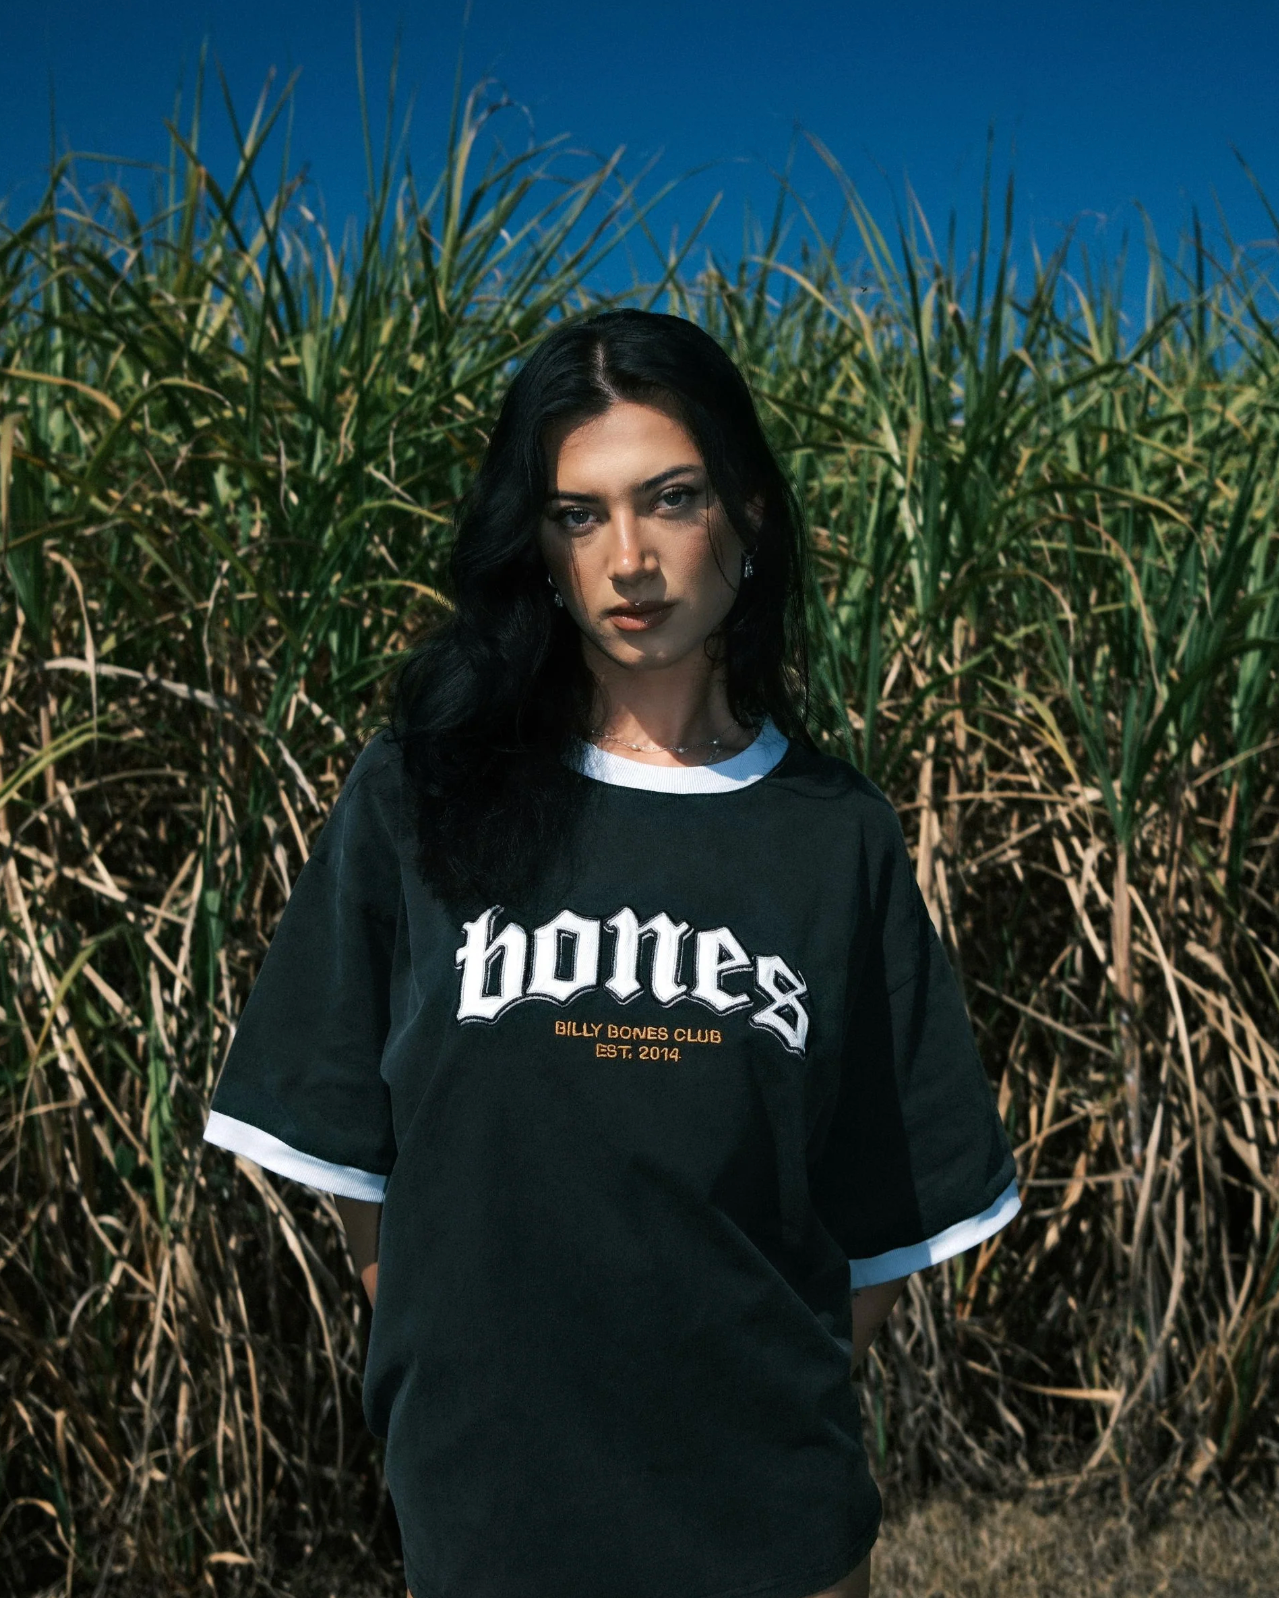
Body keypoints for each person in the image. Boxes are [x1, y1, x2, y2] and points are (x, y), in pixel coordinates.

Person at [202, 308, 1020, 1598]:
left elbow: (883, 1210)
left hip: (767, 1524)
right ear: (533, 541)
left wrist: (727, 1384)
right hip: (491, 1506)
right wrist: (458, 1353)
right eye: (577, 513)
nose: (628, 557)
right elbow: (345, 1143)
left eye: (669, 499)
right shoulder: (424, 796)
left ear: (745, 513)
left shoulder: (835, 837)